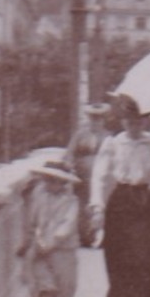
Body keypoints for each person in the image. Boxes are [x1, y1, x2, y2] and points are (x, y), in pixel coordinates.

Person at [89, 95, 150, 297]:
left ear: (144, 122)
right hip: (121, 203)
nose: (133, 125)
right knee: (122, 260)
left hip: (145, 203)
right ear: (122, 121)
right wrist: (97, 206)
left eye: (138, 120)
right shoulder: (113, 144)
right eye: (128, 120)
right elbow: (99, 175)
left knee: (146, 258)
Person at [20, 159, 82, 297]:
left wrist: (53, 242)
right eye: (47, 180)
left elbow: (67, 225)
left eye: (54, 181)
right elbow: (31, 221)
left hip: (63, 248)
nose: (50, 184)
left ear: (63, 183)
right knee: (43, 285)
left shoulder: (71, 201)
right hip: (41, 246)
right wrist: (29, 241)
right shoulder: (39, 198)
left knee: (65, 285)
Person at [65, 101, 111, 246]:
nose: (95, 121)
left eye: (99, 118)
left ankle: (101, 235)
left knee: (100, 204)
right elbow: (70, 153)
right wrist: (69, 165)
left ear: (103, 120)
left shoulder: (108, 137)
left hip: (102, 177)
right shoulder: (80, 135)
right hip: (82, 176)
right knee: (82, 204)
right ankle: (85, 236)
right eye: (93, 118)